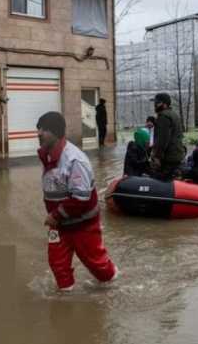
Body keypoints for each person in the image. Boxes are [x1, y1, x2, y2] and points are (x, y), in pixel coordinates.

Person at [36, 111, 117, 291]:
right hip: (59, 225)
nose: (39, 133)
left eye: (43, 129)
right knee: (57, 264)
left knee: (97, 265)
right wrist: (56, 218)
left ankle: (113, 281)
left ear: (56, 132)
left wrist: (55, 215)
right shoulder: (47, 155)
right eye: (38, 129)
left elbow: (81, 199)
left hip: (83, 224)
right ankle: (66, 300)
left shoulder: (74, 160)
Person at [150, 93, 186, 181]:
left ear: (165, 104)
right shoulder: (174, 114)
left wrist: (157, 157)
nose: (155, 105)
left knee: (161, 182)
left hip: (168, 158)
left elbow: (162, 140)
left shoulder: (163, 117)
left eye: (157, 103)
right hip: (177, 155)